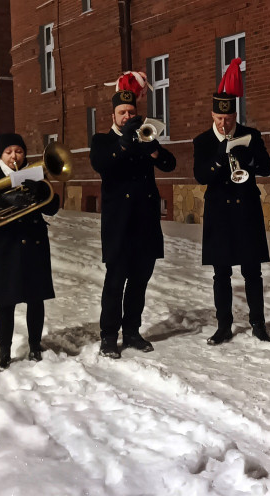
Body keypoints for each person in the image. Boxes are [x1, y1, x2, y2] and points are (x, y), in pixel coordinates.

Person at [89, 73, 176, 359]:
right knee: (115, 282)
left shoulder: (144, 137)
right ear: (112, 115)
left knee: (140, 280)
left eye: (131, 112)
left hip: (145, 222)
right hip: (118, 225)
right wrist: (125, 143)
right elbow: (104, 165)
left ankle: (132, 332)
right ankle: (109, 336)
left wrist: (152, 150)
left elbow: (169, 164)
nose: (127, 116)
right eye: (122, 112)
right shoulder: (102, 141)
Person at [193, 58, 270, 345]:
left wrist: (249, 157)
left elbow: (267, 167)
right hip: (219, 213)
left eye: (228, 119)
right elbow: (200, 176)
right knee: (221, 273)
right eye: (218, 119)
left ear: (234, 115)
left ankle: (258, 323)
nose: (224, 124)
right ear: (212, 115)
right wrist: (219, 157)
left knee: (253, 271)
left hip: (247, 210)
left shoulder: (251, 135)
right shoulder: (203, 141)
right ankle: (223, 325)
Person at [0, 133, 60, 372]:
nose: (15, 156)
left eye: (19, 151)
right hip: (7, 245)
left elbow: (53, 209)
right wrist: (11, 198)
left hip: (35, 242)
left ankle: (35, 346)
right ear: (1, 155)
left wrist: (40, 191)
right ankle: (4, 353)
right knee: (6, 301)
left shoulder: (36, 174)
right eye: (9, 151)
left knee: (36, 298)